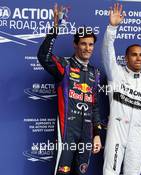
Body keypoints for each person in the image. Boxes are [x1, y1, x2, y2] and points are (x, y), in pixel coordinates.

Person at [37, 4, 102, 175]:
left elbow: (94, 107)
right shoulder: (64, 66)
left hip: (87, 135)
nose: (87, 48)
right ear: (75, 45)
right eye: (83, 44)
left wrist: (97, 134)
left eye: (91, 44)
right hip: (66, 133)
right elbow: (43, 57)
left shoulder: (95, 73)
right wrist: (55, 29)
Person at [102, 3, 141, 175]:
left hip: (137, 135)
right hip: (117, 132)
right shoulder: (116, 73)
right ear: (126, 57)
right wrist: (112, 27)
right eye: (134, 54)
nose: (138, 58)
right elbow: (107, 52)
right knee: (110, 172)